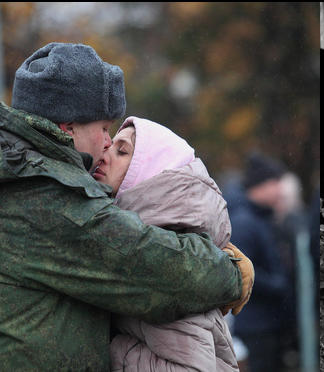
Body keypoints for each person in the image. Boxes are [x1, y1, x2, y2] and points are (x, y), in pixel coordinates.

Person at [0, 42, 254, 371]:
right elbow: (157, 272)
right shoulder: (43, 192)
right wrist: (231, 271)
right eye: (104, 129)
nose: (108, 143)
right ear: (69, 128)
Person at [96, 116, 239, 372]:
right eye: (109, 147)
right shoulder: (164, 242)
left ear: (152, 176)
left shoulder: (169, 259)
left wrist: (108, 351)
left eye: (122, 151)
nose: (104, 156)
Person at [226, 152, 293, 372]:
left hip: (266, 322)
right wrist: (279, 285)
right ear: (260, 185)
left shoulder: (261, 217)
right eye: (275, 183)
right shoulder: (245, 221)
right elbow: (242, 272)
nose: (280, 191)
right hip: (256, 325)